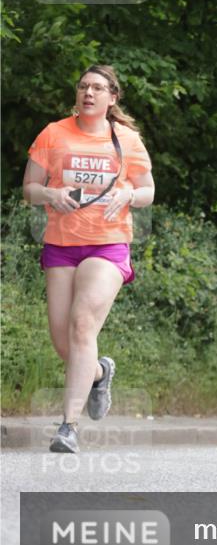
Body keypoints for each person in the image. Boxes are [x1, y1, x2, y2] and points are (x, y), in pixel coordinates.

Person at [23, 65, 155, 454]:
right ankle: (100, 372)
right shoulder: (54, 133)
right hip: (61, 244)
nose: (88, 93)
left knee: (83, 326)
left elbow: (148, 189)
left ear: (112, 98)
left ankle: (68, 426)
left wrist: (128, 196)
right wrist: (50, 196)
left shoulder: (126, 140)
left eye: (98, 88)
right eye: (83, 86)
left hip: (108, 243)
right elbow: (29, 188)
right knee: (64, 341)